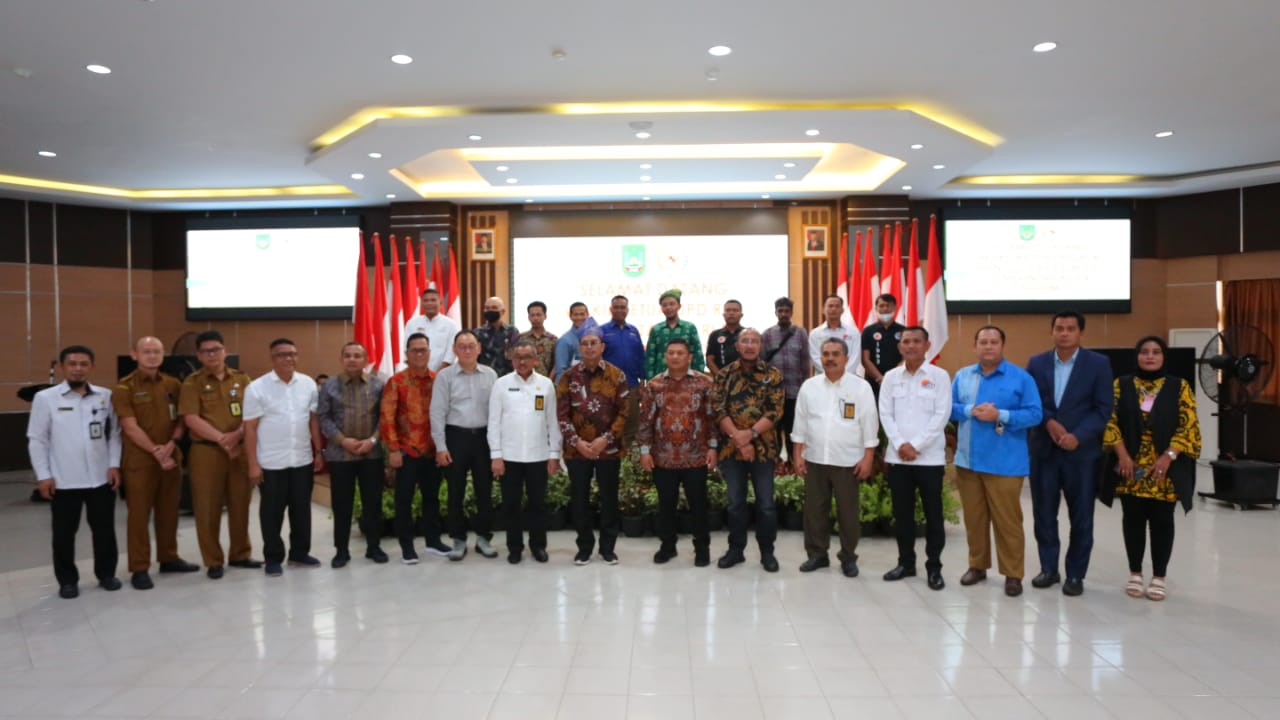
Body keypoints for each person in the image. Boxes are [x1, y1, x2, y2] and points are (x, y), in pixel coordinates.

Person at [1101, 336, 1201, 602]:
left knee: (1162, 522)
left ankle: (1159, 577)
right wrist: (1122, 455)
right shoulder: (1121, 384)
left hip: (1163, 470)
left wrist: (1168, 456)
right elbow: (1109, 421)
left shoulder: (1179, 386)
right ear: (1137, 356)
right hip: (1131, 468)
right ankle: (1135, 573)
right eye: (1144, 351)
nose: (1150, 356)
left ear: (1163, 357)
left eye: (1156, 352)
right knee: (1132, 520)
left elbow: (1188, 425)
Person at [1025, 311, 1114, 596]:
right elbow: (1031, 401)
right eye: (1059, 328)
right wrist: (1049, 422)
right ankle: (1048, 569)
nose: (1064, 333)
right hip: (1045, 451)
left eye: (1070, 329)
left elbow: (1103, 408)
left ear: (1080, 333)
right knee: (1044, 514)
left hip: (1081, 454)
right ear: (1052, 331)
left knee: (1082, 516)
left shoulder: (1098, 364)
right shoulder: (1036, 363)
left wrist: (1078, 436)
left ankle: (1075, 574)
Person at [951, 326, 1043, 597]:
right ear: (975, 346)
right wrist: (970, 410)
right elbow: (949, 408)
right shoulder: (963, 376)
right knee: (974, 519)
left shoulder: (1021, 378)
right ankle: (977, 566)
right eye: (983, 342)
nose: (988, 346)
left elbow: (1035, 414)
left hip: (1005, 464)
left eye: (993, 342)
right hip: (968, 461)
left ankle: (1013, 574)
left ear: (1002, 346)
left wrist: (1000, 415)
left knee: (1008, 522)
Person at [27, 345, 122, 599]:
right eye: (72, 364)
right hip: (63, 480)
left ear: (91, 367)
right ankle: (67, 580)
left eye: (83, 364)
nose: (78, 369)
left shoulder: (105, 396)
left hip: (100, 478)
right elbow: (37, 439)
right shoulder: (46, 398)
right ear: (62, 367)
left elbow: (114, 435)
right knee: (63, 535)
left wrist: (114, 464)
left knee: (104, 531)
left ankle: (106, 574)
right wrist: (43, 475)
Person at [113, 336, 199, 590]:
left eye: (157, 351)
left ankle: (168, 558)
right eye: (147, 351)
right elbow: (129, 426)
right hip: (140, 462)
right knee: (139, 516)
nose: (152, 356)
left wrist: (171, 445)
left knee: (169, 512)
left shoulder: (173, 384)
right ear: (134, 355)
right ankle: (139, 567)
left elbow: (182, 419)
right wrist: (155, 451)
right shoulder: (124, 388)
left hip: (171, 458)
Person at [791, 338, 878, 578]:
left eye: (836, 354)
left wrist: (868, 457)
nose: (830, 358)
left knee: (848, 514)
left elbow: (870, 424)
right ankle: (817, 555)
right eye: (826, 354)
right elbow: (800, 423)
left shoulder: (860, 388)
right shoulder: (809, 386)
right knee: (814, 511)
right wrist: (798, 455)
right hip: (815, 458)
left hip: (848, 461)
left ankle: (848, 557)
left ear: (846, 358)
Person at [180, 330, 261, 579]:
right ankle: (213, 560)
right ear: (198, 355)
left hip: (239, 450)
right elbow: (191, 418)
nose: (212, 355)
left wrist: (238, 435)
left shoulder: (243, 379)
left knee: (240, 504)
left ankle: (240, 554)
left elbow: (253, 413)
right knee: (207, 508)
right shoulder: (192, 382)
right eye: (206, 351)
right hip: (206, 452)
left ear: (225, 351)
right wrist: (222, 440)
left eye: (216, 349)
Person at [879, 326, 952, 590]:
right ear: (900, 347)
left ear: (927, 345)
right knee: (903, 515)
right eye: (906, 341)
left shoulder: (939, 376)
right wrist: (901, 444)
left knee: (933, 516)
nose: (911, 346)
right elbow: (885, 414)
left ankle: (934, 567)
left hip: (929, 459)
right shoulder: (891, 377)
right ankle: (906, 563)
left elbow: (942, 415)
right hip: (899, 459)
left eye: (916, 341)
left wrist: (916, 445)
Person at [243, 338, 322, 576]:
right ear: (272, 358)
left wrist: (319, 452)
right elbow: (250, 428)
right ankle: (273, 557)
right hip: (271, 462)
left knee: (301, 510)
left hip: (302, 459)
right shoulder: (257, 387)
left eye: (292, 354)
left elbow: (313, 420)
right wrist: (253, 464)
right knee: (272, 512)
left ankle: (299, 553)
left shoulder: (308, 384)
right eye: (282, 354)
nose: (288, 358)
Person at [638, 338, 718, 567]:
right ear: (665, 357)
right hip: (663, 456)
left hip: (696, 456)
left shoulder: (704, 383)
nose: (675, 357)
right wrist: (645, 451)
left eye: (680, 353)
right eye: (671, 353)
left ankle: (702, 549)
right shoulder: (654, 385)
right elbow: (646, 420)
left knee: (698, 505)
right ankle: (667, 546)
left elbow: (712, 418)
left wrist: (713, 447)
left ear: (689, 357)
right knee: (666, 505)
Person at [712, 329, 785, 572]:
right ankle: (736, 550)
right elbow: (718, 409)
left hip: (764, 449)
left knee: (766, 504)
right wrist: (740, 440)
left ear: (761, 345)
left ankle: (767, 552)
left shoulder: (772, 374)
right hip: (731, 450)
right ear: (737, 346)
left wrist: (750, 435)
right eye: (745, 341)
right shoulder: (724, 375)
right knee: (735, 503)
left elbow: (775, 411)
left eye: (755, 341)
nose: (750, 345)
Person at [557, 328, 631, 565]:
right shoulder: (568, 377)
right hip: (577, 451)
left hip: (608, 449)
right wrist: (577, 442)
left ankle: (608, 549)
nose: (589, 347)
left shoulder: (616, 375)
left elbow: (624, 412)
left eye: (593, 343)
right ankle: (584, 548)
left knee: (609, 500)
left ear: (602, 347)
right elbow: (561, 414)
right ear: (580, 348)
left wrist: (605, 439)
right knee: (580, 501)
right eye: (585, 343)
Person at [489, 340, 562, 564]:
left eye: (527, 357)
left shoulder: (546, 385)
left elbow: (553, 422)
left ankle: (538, 546)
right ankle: (514, 548)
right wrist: (496, 455)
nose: (522, 362)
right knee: (511, 505)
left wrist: (554, 454)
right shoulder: (501, 384)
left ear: (536, 360)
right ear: (512, 360)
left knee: (537, 505)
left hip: (538, 456)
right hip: (509, 457)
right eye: (517, 357)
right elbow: (494, 422)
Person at [317, 341, 388, 568]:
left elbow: (384, 417)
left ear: (365, 360)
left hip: (371, 454)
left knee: (373, 504)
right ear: (341, 359)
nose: (352, 359)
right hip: (341, 455)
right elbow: (323, 418)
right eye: (347, 355)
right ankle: (341, 551)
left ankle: (374, 547)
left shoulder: (378, 385)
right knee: (342, 505)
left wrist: (372, 440)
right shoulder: (329, 386)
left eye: (357, 356)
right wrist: (343, 441)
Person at [430, 330, 499, 561]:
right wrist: (441, 446)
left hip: (483, 438)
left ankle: (483, 538)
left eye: (471, 346)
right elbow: (437, 413)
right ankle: (458, 539)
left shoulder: (490, 375)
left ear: (479, 348)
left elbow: (497, 412)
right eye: (462, 346)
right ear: (455, 350)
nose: (467, 350)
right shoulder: (445, 376)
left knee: (484, 491)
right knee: (455, 491)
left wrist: (497, 448)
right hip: (455, 437)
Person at [381, 333, 449, 563]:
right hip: (406, 451)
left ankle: (433, 541)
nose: (419, 354)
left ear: (429, 353)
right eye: (415, 350)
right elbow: (387, 417)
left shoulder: (438, 380)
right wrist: (393, 449)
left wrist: (443, 448)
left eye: (423, 350)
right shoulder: (396, 381)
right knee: (404, 501)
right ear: (407, 354)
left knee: (432, 499)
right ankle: (407, 547)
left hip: (432, 451)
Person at [761, 297, 810, 466]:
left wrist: (805, 387)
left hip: (794, 392)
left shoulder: (801, 333)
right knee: (774, 430)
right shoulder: (767, 335)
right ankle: (776, 466)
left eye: (786, 311)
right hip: (773, 394)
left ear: (791, 313)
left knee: (792, 430)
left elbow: (805, 363)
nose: (783, 314)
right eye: (780, 311)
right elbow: (762, 365)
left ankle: (792, 463)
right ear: (775, 312)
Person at [599, 294, 645, 444]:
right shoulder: (602, 330)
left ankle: (629, 456)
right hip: (610, 386)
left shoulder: (634, 331)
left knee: (632, 422)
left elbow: (640, 356)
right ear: (611, 309)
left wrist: (642, 383)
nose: (619, 310)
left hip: (632, 385)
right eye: (616, 307)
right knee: (611, 422)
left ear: (627, 310)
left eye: (623, 307)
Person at [645, 288, 706, 378]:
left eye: (672, 304)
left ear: (679, 306)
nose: (668, 308)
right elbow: (650, 358)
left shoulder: (689, 328)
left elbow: (697, 356)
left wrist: (698, 379)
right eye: (664, 305)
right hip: (661, 379)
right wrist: (651, 380)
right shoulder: (656, 329)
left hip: (686, 379)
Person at [403, 287, 459, 372]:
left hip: (443, 373)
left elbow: (451, 353)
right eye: (426, 300)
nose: (429, 303)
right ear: (422, 303)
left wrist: (438, 374)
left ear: (440, 303)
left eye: (433, 300)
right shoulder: (412, 323)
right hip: (416, 373)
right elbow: (406, 349)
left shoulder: (451, 325)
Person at [861, 293, 906, 396]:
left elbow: (905, 358)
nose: (885, 308)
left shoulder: (903, 331)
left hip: (898, 380)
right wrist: (880, 378)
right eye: (881, 306)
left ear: (895, 307)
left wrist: (892, 377)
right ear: (876, 308)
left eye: (888, 305)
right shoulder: (868, 331)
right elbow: (865, 359)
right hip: (874, 382)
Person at [809, 294, 861, 376]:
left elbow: (855, 357)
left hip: (849, 378)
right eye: (830, 306)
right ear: (823, 310)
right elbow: (815, 358)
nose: (834, 309)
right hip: (823, 378)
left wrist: (843, 375)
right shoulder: (815, 334)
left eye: (837, 306)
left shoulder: (853, 332)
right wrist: (831, 374)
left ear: (842, 310)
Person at [474, 296, 521, 376]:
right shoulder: (477, 333)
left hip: (508, 377)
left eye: (494, 308)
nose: (490, 310)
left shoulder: (512, 331)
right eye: (487, 308)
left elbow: (517, 355)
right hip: (485, 377)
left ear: (503, 311)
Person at [553, 301, 592, 380]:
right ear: (570, 316)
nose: (579, 318)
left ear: (588, 315)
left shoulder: (594, 336)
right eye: (576, 315)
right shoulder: (565, 340)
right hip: (574, 384)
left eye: (582, 314)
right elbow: (560, 371)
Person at [518, 301, 558, 377]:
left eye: (538, 315)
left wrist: (549, 380)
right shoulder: (521, 338)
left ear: (545, 316)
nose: (535, 318)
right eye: (532, 315)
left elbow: (556, 364)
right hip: (524, 379)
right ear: (529, 317)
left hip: (545, 379)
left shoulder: (553, 339)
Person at [706, 300, 744, 375]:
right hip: (721, 378)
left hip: (744, 378)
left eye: (735, 310)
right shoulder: (715, 335)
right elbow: (709, 360)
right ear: (723, 314)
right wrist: (720, 377)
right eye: (728, 310)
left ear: (741, 314)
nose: (731, 313)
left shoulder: (748, 334)